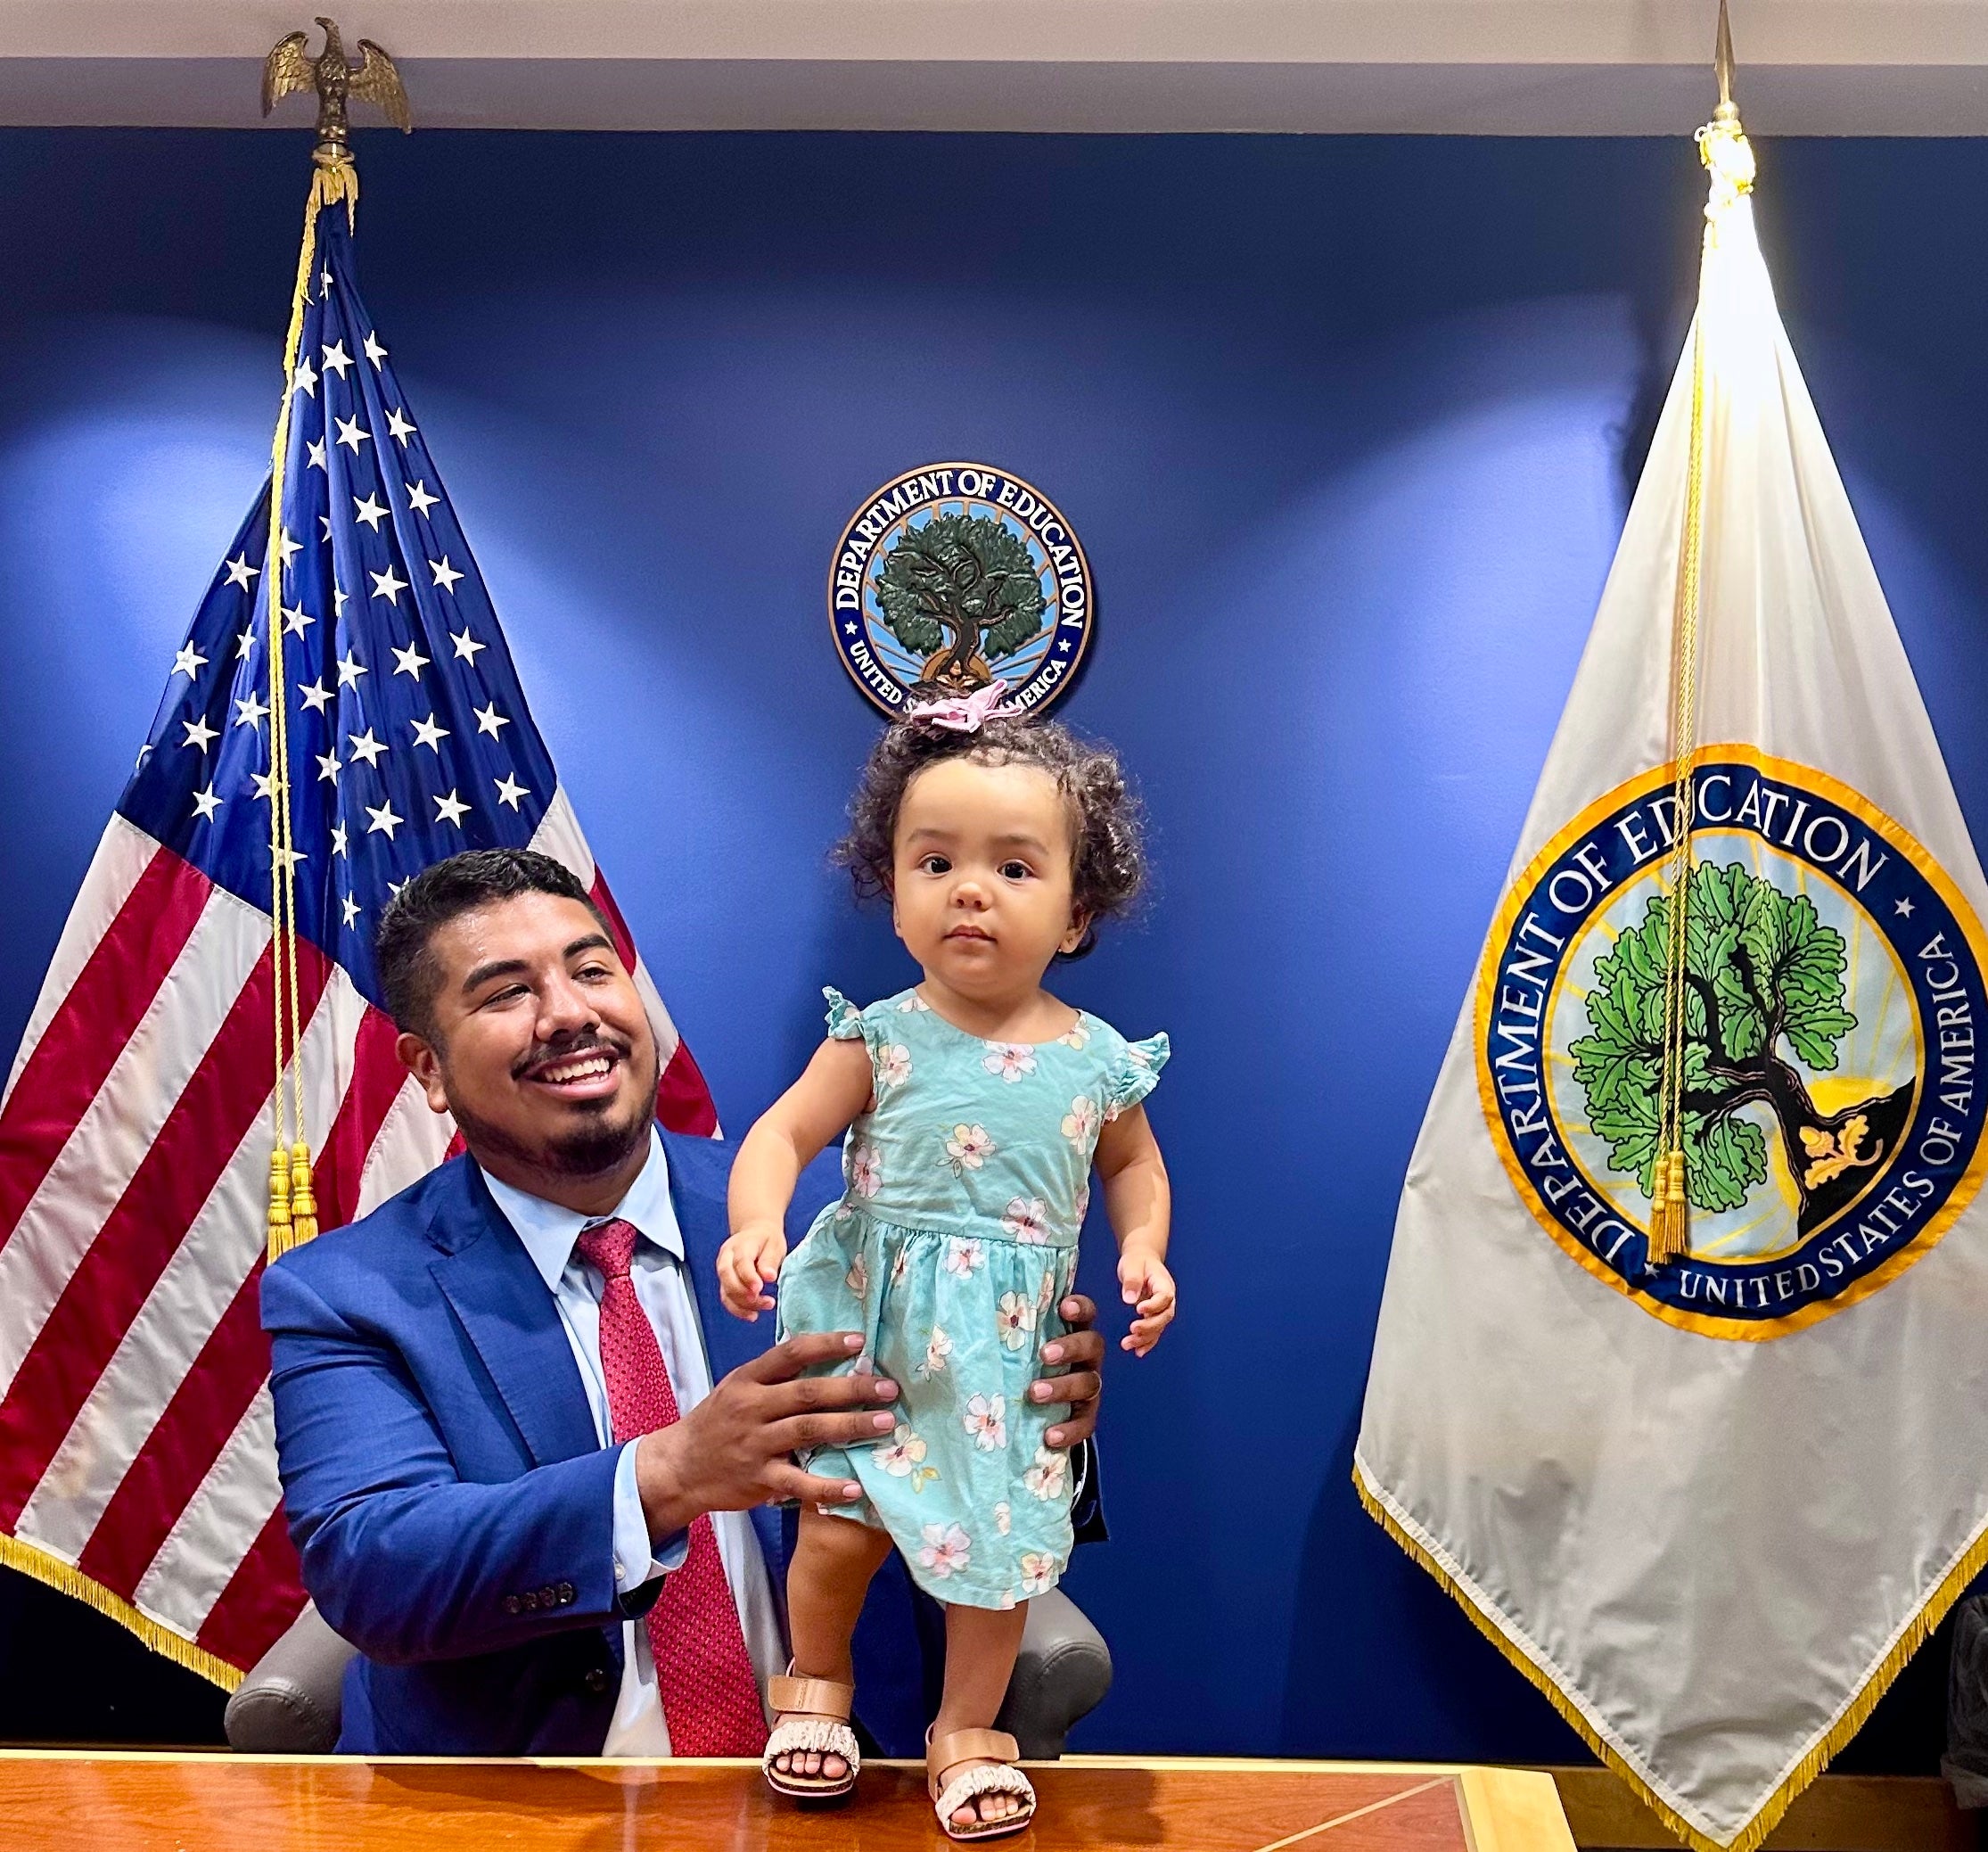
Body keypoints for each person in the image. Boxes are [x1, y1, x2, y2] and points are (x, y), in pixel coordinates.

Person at [260, 847, 1106, 1757]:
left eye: (592, 970)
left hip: (843, 1780)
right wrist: (667, 1477)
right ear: (427, 1069)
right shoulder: (348, 1291)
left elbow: (975, 1465)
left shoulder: (843, 1217)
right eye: (506, 993)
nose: (571, 1014)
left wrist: (1045, 1417)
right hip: (531, 1803)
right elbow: (376, 1569)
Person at [719, 691, 1173, 1840]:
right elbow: (778, 1135)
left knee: (998, 1569)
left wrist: (1145, 1253)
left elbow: (1136, 1169)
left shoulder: (1098, 1061)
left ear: (1078, 912)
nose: (970, 888)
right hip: (877, 1335)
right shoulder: (876, 1037)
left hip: (1006, 1361)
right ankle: (814, 1689)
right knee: (836, 1530)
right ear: (895, 891)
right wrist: (755, 1221)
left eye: (1015, 868)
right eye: (936, 861)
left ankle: (969, 1730)